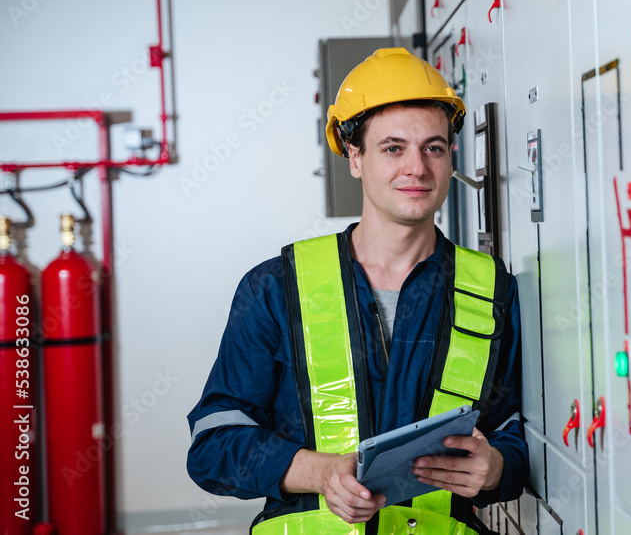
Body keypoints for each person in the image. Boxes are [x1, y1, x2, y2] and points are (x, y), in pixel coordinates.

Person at [186, 48, 527, 534]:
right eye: (393, 148)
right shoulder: (276, 288)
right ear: (355, 157)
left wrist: (495, 468)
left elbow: (516, 429)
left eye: (433, 147)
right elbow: (213, 446)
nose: (417, 168)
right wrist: (321, 472)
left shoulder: (494, 291)